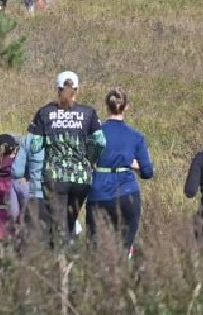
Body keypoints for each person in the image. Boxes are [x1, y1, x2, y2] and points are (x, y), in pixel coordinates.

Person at [26, 71, 104, 244]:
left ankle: (61, 262)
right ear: (77, 89)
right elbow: (101, 141)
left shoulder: (44, 113)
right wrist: (91, 158)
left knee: (57, 226)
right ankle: (68, 255)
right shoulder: (89, 113)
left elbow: (34, 146)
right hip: (81, 177)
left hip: (54, 177)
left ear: (58, 89)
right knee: (70, 222)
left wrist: (47, 140)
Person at [87, 89, 153, 256]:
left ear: (107, 106)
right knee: (125, 245)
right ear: (126, 107)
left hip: (99, 192)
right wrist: (135, 167)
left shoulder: (96, 134)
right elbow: (147, 172)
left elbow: (87, 160)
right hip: (127, 193)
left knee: (96, 247)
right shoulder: (136, 136)